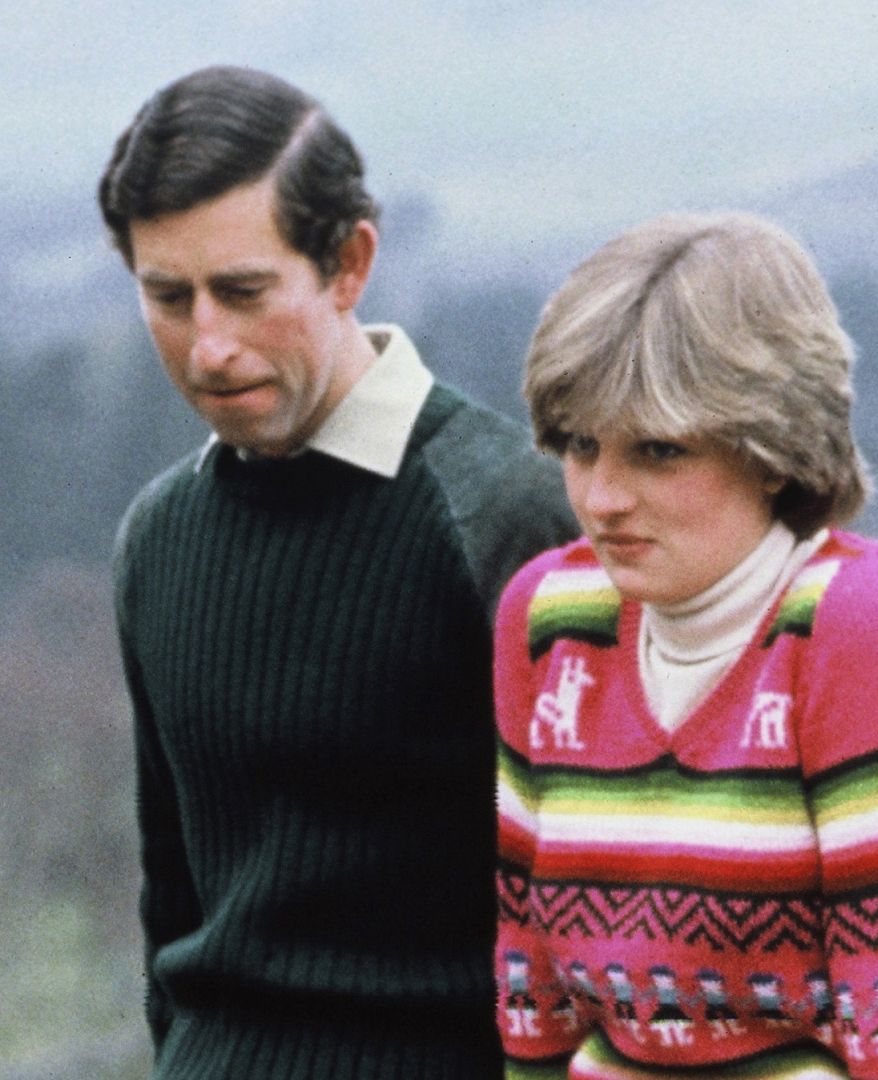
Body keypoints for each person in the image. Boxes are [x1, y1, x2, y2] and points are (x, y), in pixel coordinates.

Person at [99, 65, 578, 1079]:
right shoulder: (157, 540)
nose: (209, 346)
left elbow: (601, 906)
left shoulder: (504, 513)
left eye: (242, 291)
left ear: (350, 262)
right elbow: (172, 905)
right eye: (168, 297)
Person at [493, 213, 878, 1078]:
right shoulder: (548, 615)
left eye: (658, 451)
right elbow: (532, 992)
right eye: (582, 445)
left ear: (772, 449)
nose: (602, 496)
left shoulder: (864, 627)